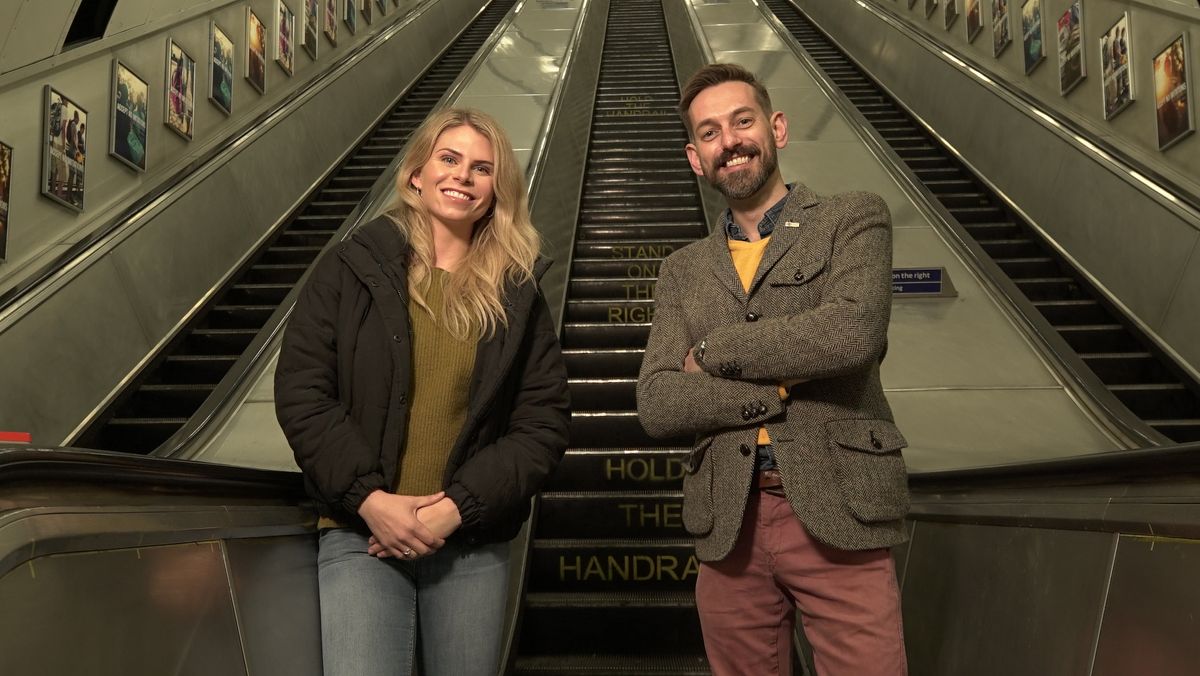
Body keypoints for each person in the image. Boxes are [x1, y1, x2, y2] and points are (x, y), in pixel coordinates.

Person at [275, 107, 571, 676]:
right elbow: (303, 392)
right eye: (449, 159)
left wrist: (457, 508)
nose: (463, 176)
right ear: (416, 172)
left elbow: (543, 423)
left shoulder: (515, 291)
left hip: (469, 544)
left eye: (482, 168)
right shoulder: (348, 268)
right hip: (362, 535)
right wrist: (369, 500)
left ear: (495, 189)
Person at [636, 64, 910, 675]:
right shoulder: (682, 270)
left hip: (839, 507)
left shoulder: (852, 218)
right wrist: (781, 383)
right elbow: (657, 402)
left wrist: (708, 355)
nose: (729, 140)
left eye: (742, 120)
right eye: (709, 133)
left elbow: (849, 334)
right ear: (694, 157)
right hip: (728, 522)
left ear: (776, 127)